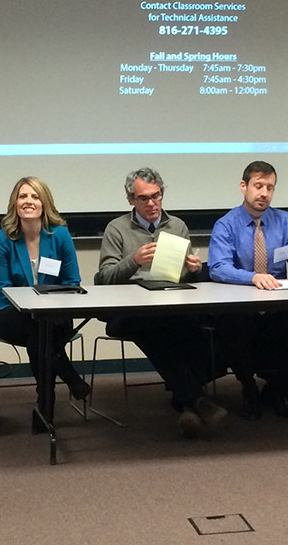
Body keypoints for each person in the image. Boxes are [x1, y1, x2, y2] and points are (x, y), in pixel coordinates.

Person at [95, 168, 226, 438]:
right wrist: (134, 261)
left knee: (199, 324)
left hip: (171, 302)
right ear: (131, 200)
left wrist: (194, 269)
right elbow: (104, 278)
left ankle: (186, 402)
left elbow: (187, 274)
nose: (152, 203)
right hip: (130, 309)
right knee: (157, 327)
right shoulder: (116, 229)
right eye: (144, 198)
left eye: (157, 196)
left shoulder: (177, 226)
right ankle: (196, 399)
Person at [208, 161, 288, 419]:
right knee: (233, 331)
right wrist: (252, 277)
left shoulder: (286, 222)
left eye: (270, 188)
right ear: (244, 187)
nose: (264, 193)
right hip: (239, 306)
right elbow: (218, 268)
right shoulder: (226, 225)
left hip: (277, 305)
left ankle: (278, 390)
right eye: (258, 186)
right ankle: (249, 390)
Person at [0, 176, 90, 412]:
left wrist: (50, 306)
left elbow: (72, 281)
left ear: (45, 203)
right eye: (23, 196)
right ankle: (68, 381)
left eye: (35, 196)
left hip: (55, 313)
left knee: (40, 335)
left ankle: (44, 404)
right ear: (15, 203)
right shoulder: (2, 239)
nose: (28, 201)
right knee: (37, 328)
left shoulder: (60, 235)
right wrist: (35, 307)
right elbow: (4, 288)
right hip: (11, 314)